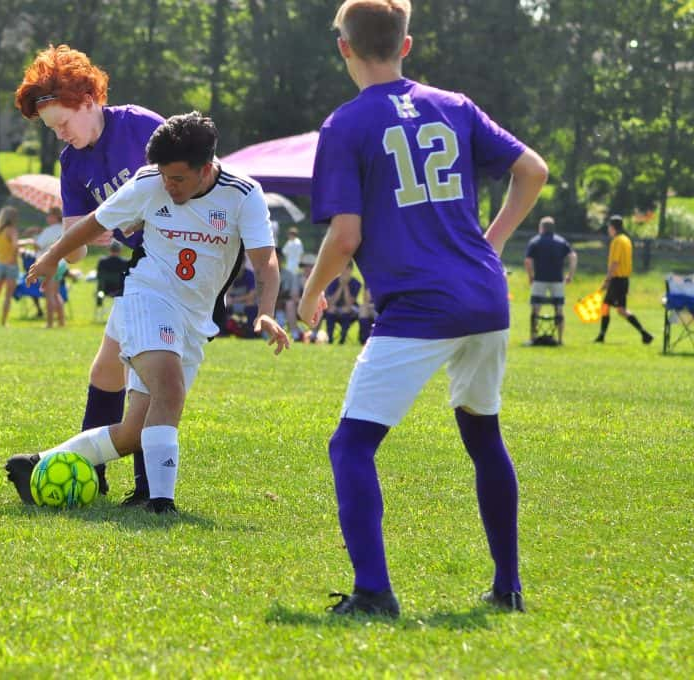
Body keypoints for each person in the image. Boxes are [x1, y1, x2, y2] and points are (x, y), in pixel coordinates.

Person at [298, 0, 548, 618]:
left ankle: (375, 593)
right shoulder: (455, 105)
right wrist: (488, 245)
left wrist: (309, 292)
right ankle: (508, 587)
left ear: (344, 48)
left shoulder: (346, 124)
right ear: (406, 46)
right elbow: (532, 170)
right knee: (484, 436)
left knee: (351, 446)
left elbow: (347, 236)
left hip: (419, 306)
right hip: (485, 298)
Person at [6, 111, 290, 513]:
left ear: (206, 168)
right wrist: (53, 256)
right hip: (146, 296)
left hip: (194, 317)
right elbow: (93, 222)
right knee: (169, 390)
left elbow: (266, 262)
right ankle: (161, 504)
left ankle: (36, 464)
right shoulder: (148, 183)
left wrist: (266, 311)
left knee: (133, 434)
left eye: (178, 179)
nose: (168, 186)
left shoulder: (242, 194)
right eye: (163, 176)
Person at [14, 44, 166, 500]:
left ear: (87, 100)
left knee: (147, 374)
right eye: (51, 129)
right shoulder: (71, 162)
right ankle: (94, 473)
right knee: (106, 371)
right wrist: (87, 236)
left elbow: (191, 183)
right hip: (144, 266)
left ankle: (147, 487)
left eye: (62, 123)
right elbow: (74, 251)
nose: (59, 135)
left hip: (178, 262)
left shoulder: (139, 124)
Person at [594, 215, 653, 344]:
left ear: (612, 227)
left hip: (617, 279)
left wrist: (607, 280)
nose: (608, 230)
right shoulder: (626, 239)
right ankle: (644, 334)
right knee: (613, 307)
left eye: (609, 227)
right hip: (624, 279)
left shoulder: (617, 241)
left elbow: (615, 263)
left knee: (615, 308)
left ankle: (643, 333)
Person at [523, 216, 576, 345]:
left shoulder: (535, 242)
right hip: (557, 280)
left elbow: (528, 261)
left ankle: (533, 337)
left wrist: (530, 276)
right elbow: (573, 256)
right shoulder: (561, 242)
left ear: (541, 228)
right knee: (559, 309)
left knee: (535, 308)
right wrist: (570, 274)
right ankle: (560, 339)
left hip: (540, 279)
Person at [33, 207, 67, 328]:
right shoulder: (64, 228)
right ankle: (61, 322)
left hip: (49, 264)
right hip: (61, 263)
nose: (47, 217)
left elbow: (38, 246)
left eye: (49, 215)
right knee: (56, 293)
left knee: (49, 295)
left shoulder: (48, 230)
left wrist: (35, 237)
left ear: (54, 216)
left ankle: (49, 323)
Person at [323, 262, 361, 345]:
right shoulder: (332, 282)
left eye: (346, 269)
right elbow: (331, 301)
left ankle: (343, 338)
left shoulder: (356, 283)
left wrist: (345, 286)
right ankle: (330, 338)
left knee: (347, 310)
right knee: (331, 309)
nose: (344, 272)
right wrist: (340, 286)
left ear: (350, 270)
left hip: (349, 309)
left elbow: (350, 302)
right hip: (334, 307)